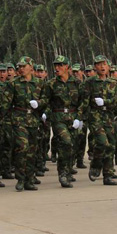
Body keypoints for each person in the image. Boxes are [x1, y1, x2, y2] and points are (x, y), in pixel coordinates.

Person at [2, 56, 46, 191]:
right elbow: (6, 104)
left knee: (32, 150)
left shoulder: (40, 83)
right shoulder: (14, 84)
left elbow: (46, 100)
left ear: (31, 68)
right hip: (19, 119)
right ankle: (20, 178)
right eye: (19, 66)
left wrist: (40, 105)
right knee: (22, 147)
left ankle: (29, 179)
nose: (20, 69)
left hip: (33, 119)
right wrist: (2, 119)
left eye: (23, 66)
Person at [41, 55, 82, 188]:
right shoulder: (51, 84)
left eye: (60, 65)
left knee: (73, 146)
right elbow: (46, 101)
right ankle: (62, 173)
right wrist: (45, 113)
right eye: (55, 65)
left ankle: (69, 170)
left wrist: (79, 117)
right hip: (58, 118)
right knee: (66, 142)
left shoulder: (77, 83)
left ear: (67, 67)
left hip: (73, 117)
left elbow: (83, 102)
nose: (57, 68)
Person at [80, 55, 117, 186]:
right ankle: (96, 164)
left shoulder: (113, 83)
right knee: (102, 142)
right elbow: (84, 101)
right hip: (95, 115)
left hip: (109, 115)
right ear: (95, 67)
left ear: (108, 66)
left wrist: (107, 102)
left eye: (104, 64)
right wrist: (80, 118)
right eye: (99, 64)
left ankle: (108, 175)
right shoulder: (89, 82)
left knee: (111, 145)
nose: (102, 66)